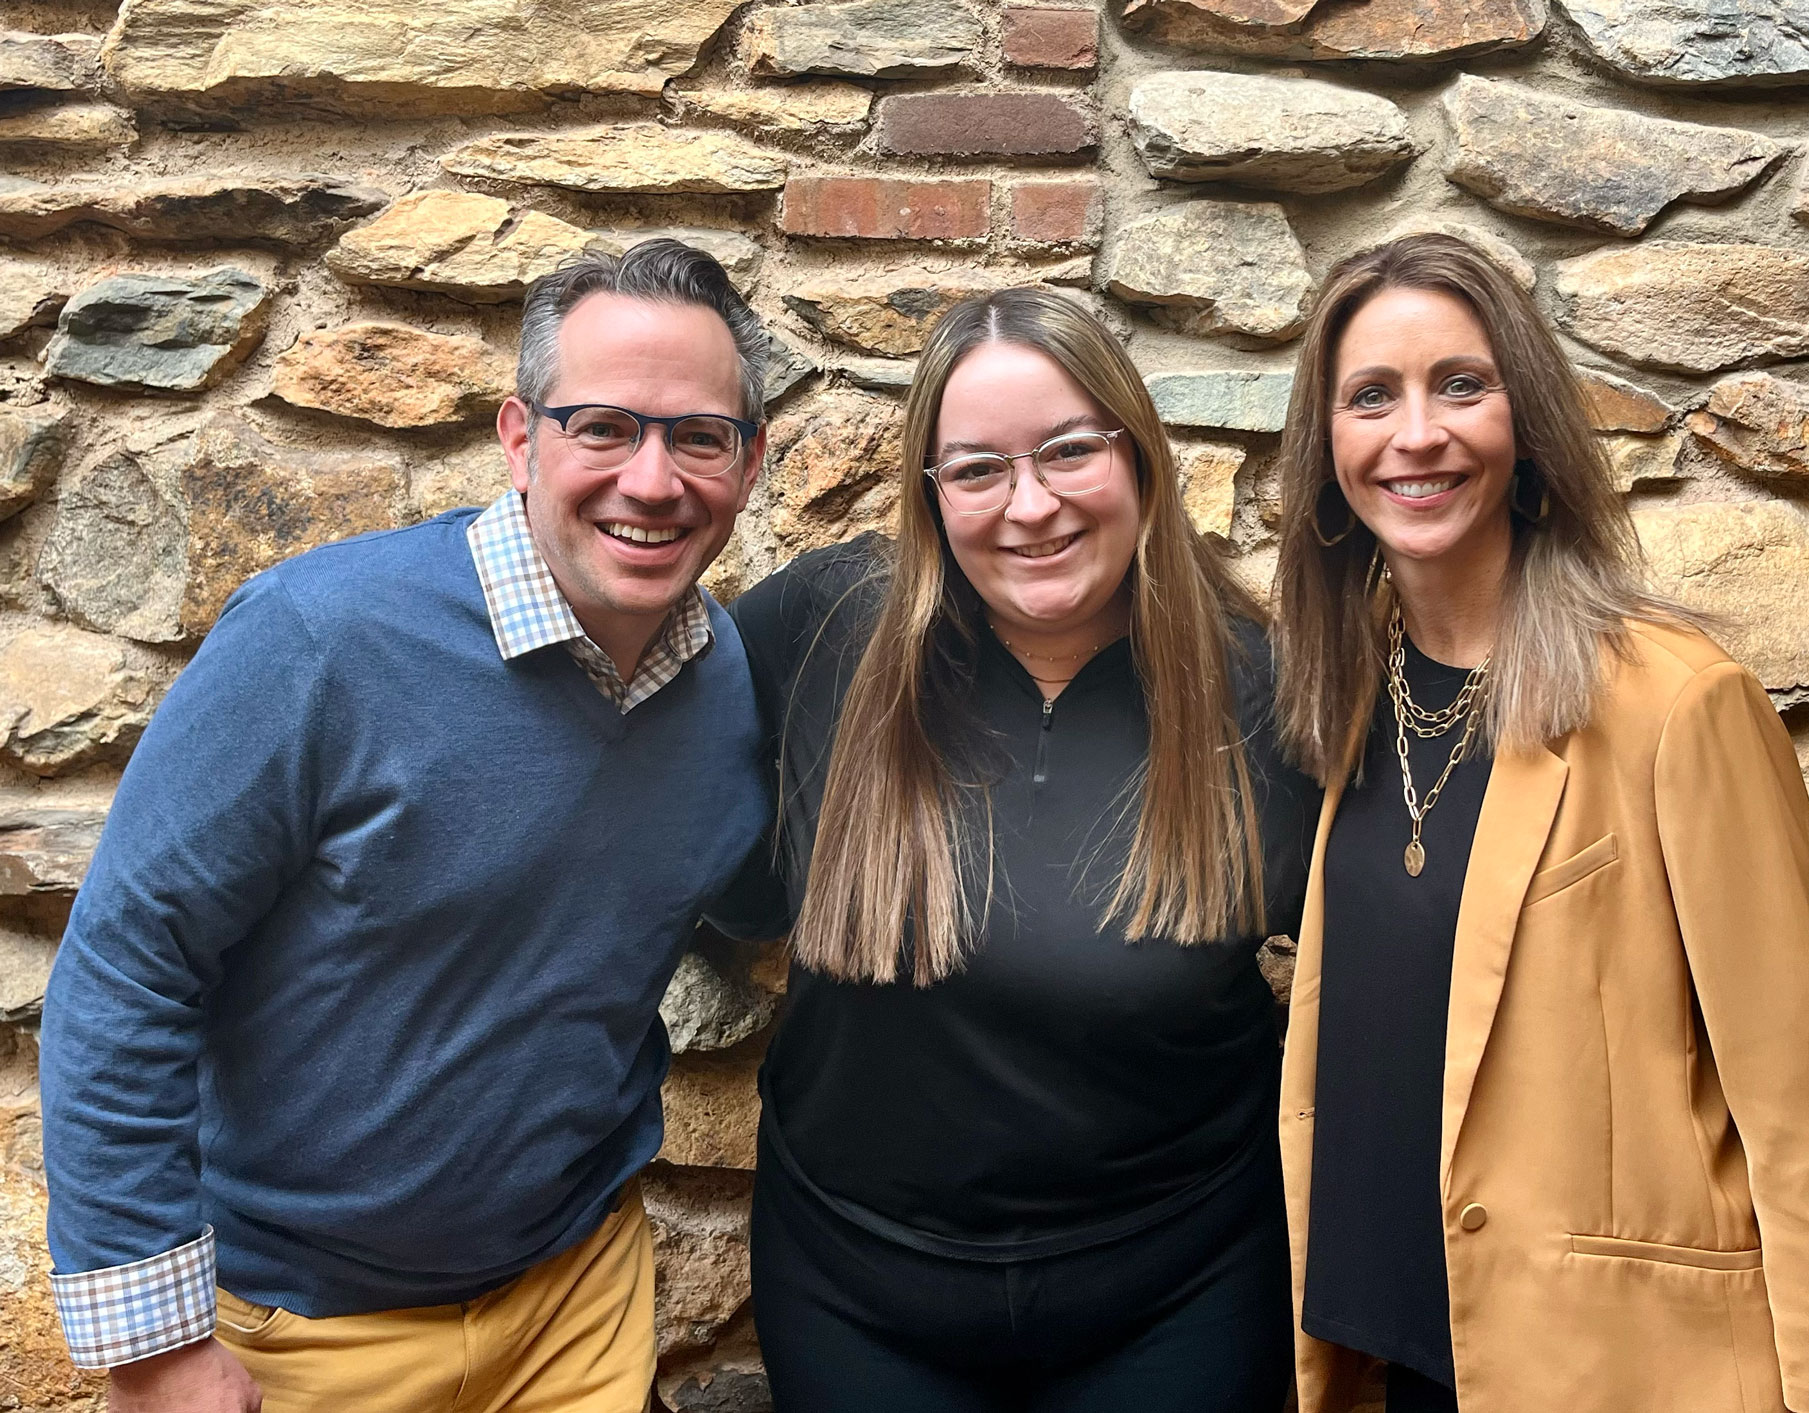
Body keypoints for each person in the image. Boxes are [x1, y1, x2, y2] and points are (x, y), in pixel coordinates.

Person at [38, 237, 771, 1413]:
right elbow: (128, 967)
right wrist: (157, 1343)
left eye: (697, 436)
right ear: (520, 438)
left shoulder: (722, 678)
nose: (652, 479)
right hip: (306, 1331)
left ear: (749, 461)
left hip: (576, 1298)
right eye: (601, 428)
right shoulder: (318, 640)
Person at [1268, 232, 1809, 1413]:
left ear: (1524, 432)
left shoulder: (1677, 703)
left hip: (1616, 1373)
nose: (1415, 433)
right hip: (1400, 1359)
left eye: (1460, 385)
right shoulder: (1349, 702)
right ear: (1326, 452)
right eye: (1370, 396)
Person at [708, 288, 1318, 1412]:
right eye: (977, 469)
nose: (1027, 505)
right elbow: (663, 791)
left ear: (1138, 457)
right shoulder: (819, 632)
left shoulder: (1263, 694)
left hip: (1181, 1285)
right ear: (931, 498)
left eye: (1067, 452)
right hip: (856, 1290)